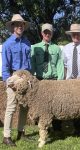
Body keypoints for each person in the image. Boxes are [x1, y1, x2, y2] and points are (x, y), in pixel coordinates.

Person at [2, 14, 31, 146]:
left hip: (26, 76)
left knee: (24, 106)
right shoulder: (7, 44)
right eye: (17, 24)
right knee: (11, 107)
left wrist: (29, 77)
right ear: (13, 26)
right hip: (14, 76)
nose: (20, 26)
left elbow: (29, 62)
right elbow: (5, 66)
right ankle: (6, 137)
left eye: (22, 24)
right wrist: (9, 81)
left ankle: (21, 132)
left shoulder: (27, 42)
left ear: (23, 26)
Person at [31, 23, 64, 132]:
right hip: (40, 80)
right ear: (42, 33)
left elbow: (60, 65)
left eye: (49, 32)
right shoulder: (34, 48)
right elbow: (32, 65)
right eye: (45, 32)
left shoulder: (57, 48)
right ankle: (44, 128)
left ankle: (57, 129)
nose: (47, 34)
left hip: (54, 80)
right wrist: (32, 81)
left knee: (56, 104)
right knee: (41, 106)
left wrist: (60, 81)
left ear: (52, 33)